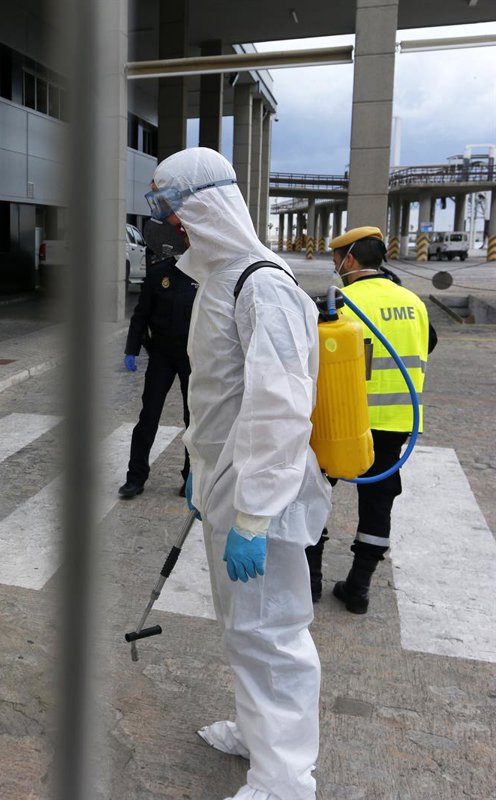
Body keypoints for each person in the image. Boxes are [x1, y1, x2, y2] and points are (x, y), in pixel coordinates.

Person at [149, 147, 331, 800]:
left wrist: (254, 514)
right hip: (228, 483)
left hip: (263, 495)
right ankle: (258, 735)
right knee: (243, 628)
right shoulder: (220, 281)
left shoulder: (262, 284)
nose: (171, 225)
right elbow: (219, 396)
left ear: (205, 207)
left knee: (272, 634)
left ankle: (284, 780)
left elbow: (278, 410)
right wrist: (202, 474)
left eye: (173, 209)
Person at [308, 226, 434, 614]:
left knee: (314, 492)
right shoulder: (413, 302)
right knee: (378, 503)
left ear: (349, 259)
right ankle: (359, 589)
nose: (335, 265)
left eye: (336, 258)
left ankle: (310, 581)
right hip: (396, 421)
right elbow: (428, 343)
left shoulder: (341, 302)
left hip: (342, 421)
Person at [118, 246, 197, 499]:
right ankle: (135, 477)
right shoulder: (158, 273)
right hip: (161, 355)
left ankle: (191, 478)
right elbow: (141, 315)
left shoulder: (205, 274)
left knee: (193, 419)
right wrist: (132, 349)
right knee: (148, 416)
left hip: (192, 357)